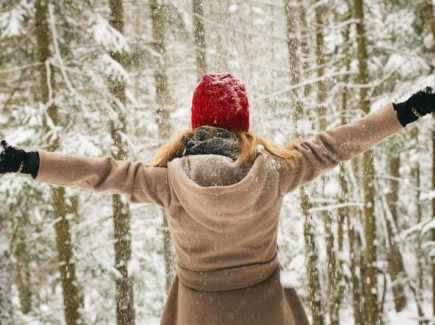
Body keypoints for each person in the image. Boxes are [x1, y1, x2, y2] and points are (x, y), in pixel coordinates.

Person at [0, 73, 434, 324]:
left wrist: (25, 161)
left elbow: (100, 174)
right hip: (266, 314)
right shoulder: (276, 172)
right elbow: (337, 145)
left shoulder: (167, 182)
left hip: (197, 313)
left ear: (195, 125)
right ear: (242, 124)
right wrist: (408, 110)